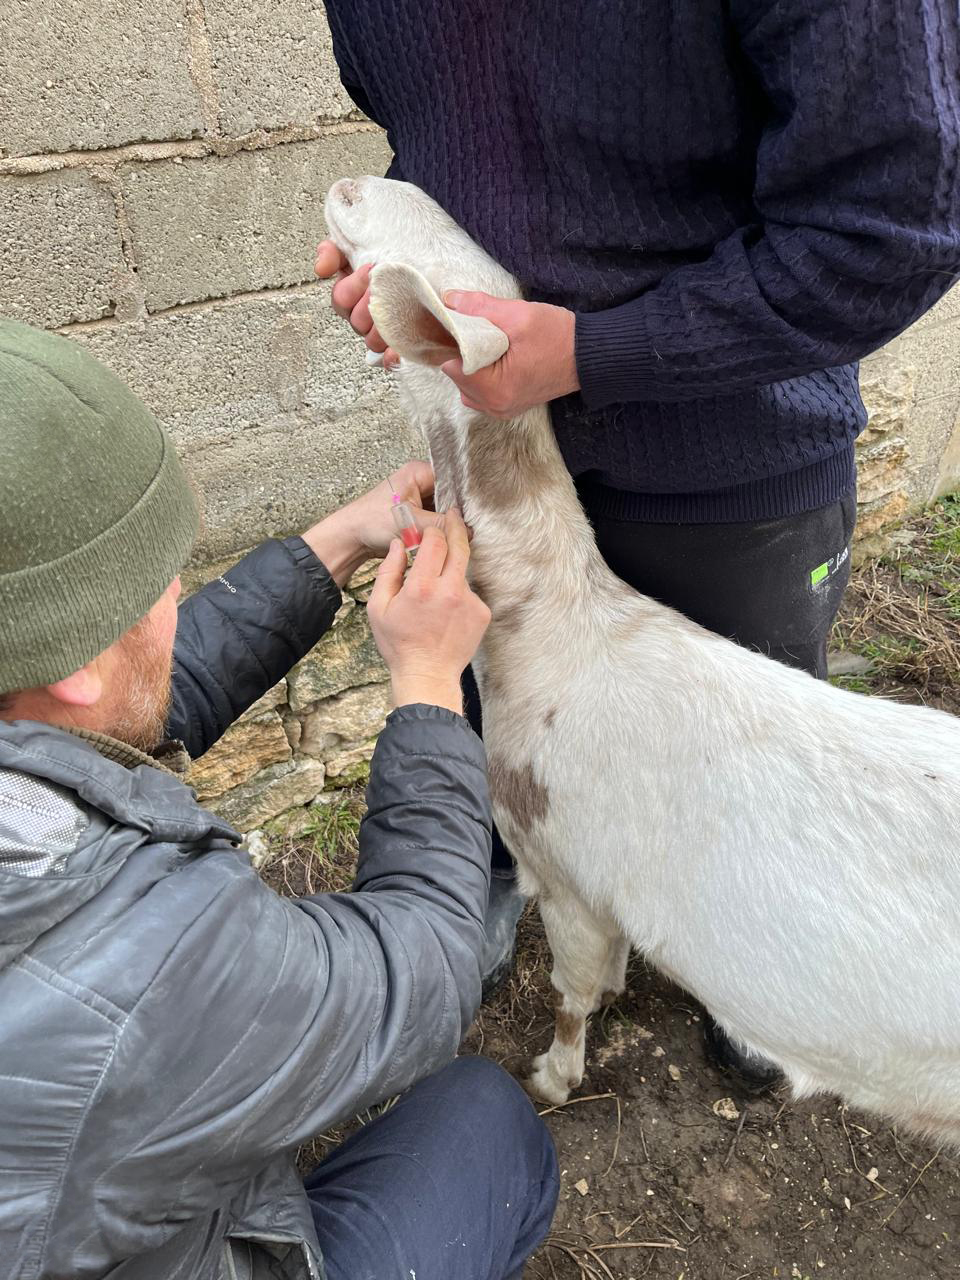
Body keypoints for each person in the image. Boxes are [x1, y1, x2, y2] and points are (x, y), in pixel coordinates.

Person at [314, 0, 960, 1086]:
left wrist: (592, 349)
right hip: (517, 483)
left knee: (748, 793)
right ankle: (532, 926)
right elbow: (429, 138)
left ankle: (772, 1007)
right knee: (544, 774)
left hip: (730, 457)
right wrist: (407, 289)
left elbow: (890, 231)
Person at [0, 318, 558, 1280]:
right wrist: (428, 687)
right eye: (153, 582)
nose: (176, 586)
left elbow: (129, 706)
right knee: (489, 1121)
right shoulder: (124, 959)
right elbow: (423, 966)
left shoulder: (32, 714)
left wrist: (340, 540)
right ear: (76, 664)